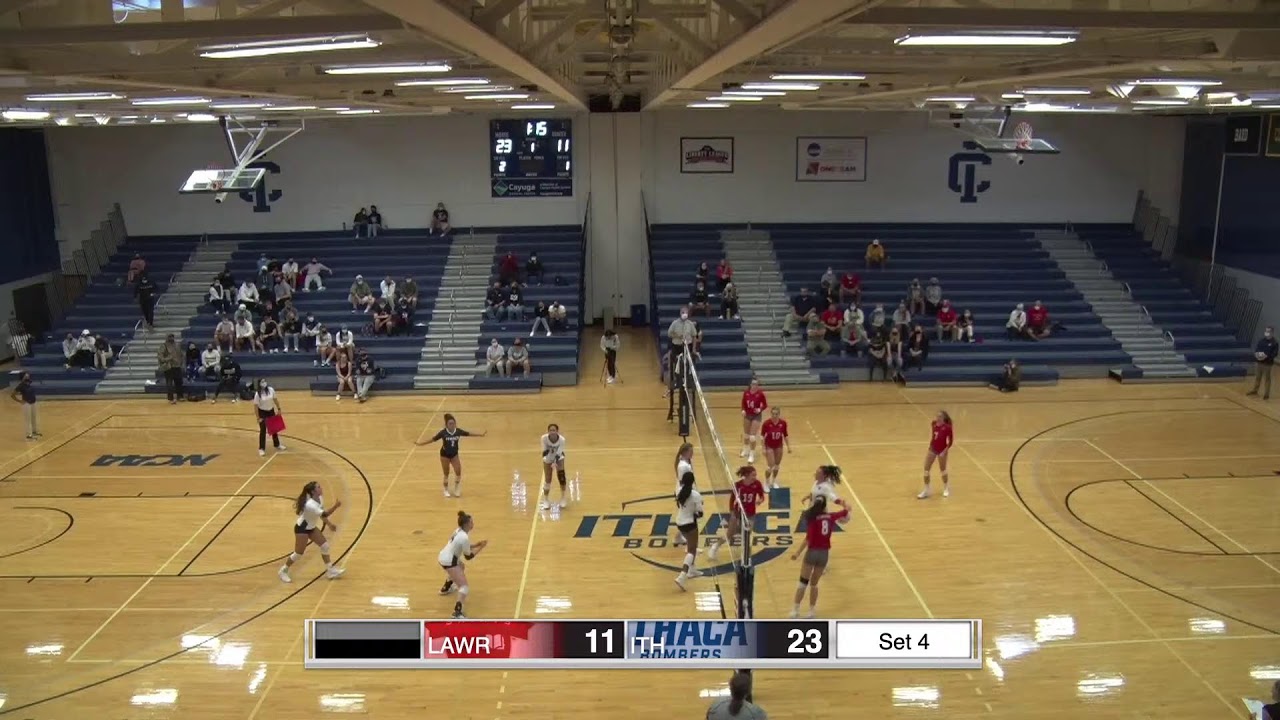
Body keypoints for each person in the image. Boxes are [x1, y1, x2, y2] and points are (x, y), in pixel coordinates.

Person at [790, 489, 850, 618]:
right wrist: (846, 506)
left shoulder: (812, 519)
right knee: (814, 584)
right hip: (824, 555)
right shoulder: (831, 517)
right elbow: (844, 512)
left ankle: (795, 610)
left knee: (802, 582)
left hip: (812, 553)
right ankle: (811, 611)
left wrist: (797, 553)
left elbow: (808, 539)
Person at [278, 481, 344, 583]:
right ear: (313, 491)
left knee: (325, 546)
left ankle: (330, 571)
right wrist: (336, 506)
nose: (321, 488)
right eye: (318, 487)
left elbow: (321, 515)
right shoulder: (310, 504)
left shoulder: (320, 499)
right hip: (302, 528)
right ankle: (283, 570)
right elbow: (325, 514)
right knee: (298, 553)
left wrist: (329, 524)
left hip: (311, 527)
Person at [417, 413, 487, 498]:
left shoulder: (458, 431)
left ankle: (456, 488)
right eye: (450, 424)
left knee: (458, 472)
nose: (452, 425)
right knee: (446, 474)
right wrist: (421, 444)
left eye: (453, 423)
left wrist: (480, 435)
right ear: (446, 425)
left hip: (454, 455)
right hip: (444, 455)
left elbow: (469, 434)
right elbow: (432, 439)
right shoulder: (443, 433)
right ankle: (446, 490)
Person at [707, 465, 765, 562]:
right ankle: (715, 546)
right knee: (730, 534)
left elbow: (762, 496)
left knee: (747, 534)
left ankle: (746, 556)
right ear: (746, 475)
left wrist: (760, 501)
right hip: (738, 513)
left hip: (750, 514)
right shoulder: (738, 485)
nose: (755, 477)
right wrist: (732, 512)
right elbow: (732, 499)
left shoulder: (757, 484)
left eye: (755, 475)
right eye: (753, 475)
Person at [438, 510, 486, 618]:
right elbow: (468, 556)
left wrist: (476, 544)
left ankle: (446, 588)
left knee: (461, 566)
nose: (473, 523)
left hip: (443, 555)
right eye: (471, 522)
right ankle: (457, 612)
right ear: (467, 524)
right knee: (464, 587)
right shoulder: (464, 537)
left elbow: (463, 545)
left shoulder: (458, 531)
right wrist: (481, 547)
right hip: (449, 561)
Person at [672, 470, 704, 591]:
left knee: (692, 547)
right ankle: (683, 575)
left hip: (680, 522)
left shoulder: (679, 491)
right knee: (692, 550)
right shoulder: (695, 495)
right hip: (690, 524)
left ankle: (693, 570)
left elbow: (679, 505)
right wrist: (694, 513)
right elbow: (700, 513)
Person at [918, 410, 953, 499]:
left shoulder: (948, 428)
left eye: (940, 417)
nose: (938, 418)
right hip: (933, 449)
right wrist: (930, 446)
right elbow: (934, 436)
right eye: (937, 416)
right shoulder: (933, 424)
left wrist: (945, 451)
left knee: (943, 470)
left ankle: (946, 488)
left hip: (942, 450)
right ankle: (926, 490)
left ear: (944, 418)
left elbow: (950, 441)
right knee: (926, 469)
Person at [253, 378, 287, 456]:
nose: (264, 383)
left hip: (270, 411)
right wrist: (258, 418)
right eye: (262, 382)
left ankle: (277, 444)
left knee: (274, 428)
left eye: (264, 381)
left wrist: (279, 409)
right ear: (259, 384)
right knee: (263, 430)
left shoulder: (271, 390)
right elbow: (255, 407)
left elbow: (275, 400)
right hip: (262, 412)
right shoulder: (257, 394)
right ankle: (261, 448)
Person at [539, 423, 569, 509]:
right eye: (550, 430)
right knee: (548, 479)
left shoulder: (562, 440)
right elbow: (544, 451)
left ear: (557, 431)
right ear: (548, 431)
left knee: (561, 477)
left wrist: (555, 462)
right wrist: (549, 461)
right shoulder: (544, 438)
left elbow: (559, 453)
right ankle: (546, 500)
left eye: (554, 430)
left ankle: (563, 498)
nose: (552, 432)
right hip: (548, 458)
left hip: (559, 458)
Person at [760, 407, 790, 490]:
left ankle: (773, 481)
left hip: (779, 446)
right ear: (771, 414)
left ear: (779, 414)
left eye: (776, 414)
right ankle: (766, 482)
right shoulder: (766, 423)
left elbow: (785, 435)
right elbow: (762, 437)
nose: (774, 415)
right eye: (773, 414)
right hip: (769, 446)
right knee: (771, 466)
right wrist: (763, 448)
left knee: (777, 466)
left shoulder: (783, 423)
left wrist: (788, 447)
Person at [740, 378, 767, 464]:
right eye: (753, 384)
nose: (755, 386)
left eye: (756, 384)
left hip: (756, 416)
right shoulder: (746, 393)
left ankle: (752, 454)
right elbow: (743, 403)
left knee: (752, 436)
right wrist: (743, 410)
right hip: (747, 415)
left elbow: (765, 405)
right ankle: (745, 449)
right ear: (750, 385)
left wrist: (760, 409)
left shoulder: (760, 394)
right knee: (746, 435)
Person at [1248, 326, 1277, 400]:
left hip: (1267, 364)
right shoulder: (1261, 341)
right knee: (1258, 377)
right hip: (1259, 362)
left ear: (1272, 333)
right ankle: (1255, 390)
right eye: (1266, 331)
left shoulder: (1274, 343)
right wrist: (1258, 355)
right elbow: (1257, 349)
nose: (1267, 332)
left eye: (1268, 331)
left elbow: (1274, 354)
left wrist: (1266, 356)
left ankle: (1266, 394)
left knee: (1267, 379)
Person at [11, 372, 39, 440]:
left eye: (28, 375)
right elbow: (12, 395)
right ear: (22, 377)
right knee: (28, 419)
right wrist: (20, 401)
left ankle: (34, 432)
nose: (28, 376)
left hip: (33, 403)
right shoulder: (20, 385)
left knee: (33, 417)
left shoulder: (29, 383)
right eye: (26, 376)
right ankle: (28, 436)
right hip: (27, 404)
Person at [157, 334, 183, 404]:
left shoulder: (177, 345)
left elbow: (180, 354)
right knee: (169, 383)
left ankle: (180, 396)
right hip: (169, 366)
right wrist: (168, 359)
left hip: (177, 366)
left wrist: (181, 362)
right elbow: (160, 357)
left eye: (172, 337)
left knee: (179, 382)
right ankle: (170, 398)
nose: (171, 338)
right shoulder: (163, 346)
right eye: (170, 337)